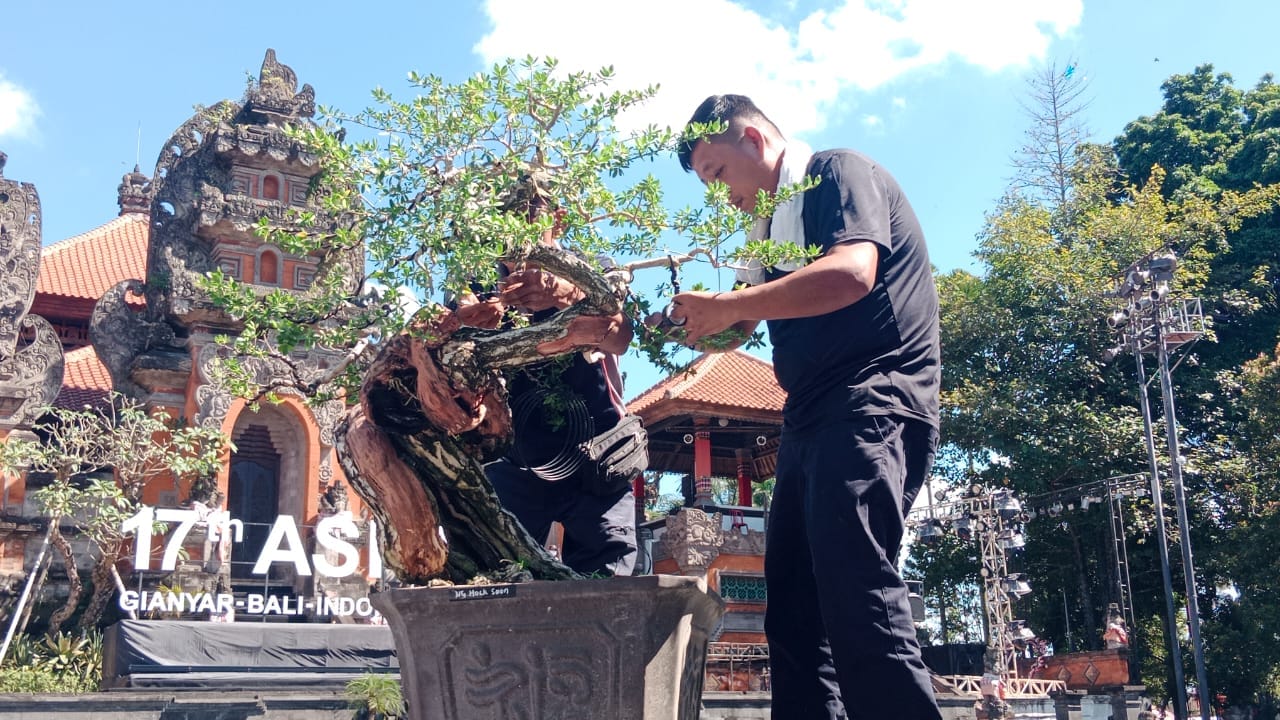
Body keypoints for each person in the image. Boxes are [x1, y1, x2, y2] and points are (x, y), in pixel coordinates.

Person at [668, 94, 942, 719]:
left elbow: (851, 272)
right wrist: (690, 320)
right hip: (809, 416)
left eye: (717, 173)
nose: (718, 193)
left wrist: (734, 306)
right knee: (791, 609)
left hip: (874, 399)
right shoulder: (763, 231)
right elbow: (735, 326)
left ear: (756, 142)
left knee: (856, 590)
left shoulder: (837, 173)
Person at [454, 234, 640, 577]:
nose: (510, 227)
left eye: (526, 211)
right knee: (490, 580)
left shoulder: (591, 269)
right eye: (502, 210)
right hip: (514, 463)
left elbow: (621, 336)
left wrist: (567, 293)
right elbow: (454, 345)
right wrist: (465, 320)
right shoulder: (478, 282)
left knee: (609, 590)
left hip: (598, 460)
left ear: (555, 217)